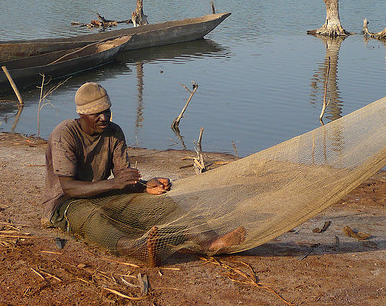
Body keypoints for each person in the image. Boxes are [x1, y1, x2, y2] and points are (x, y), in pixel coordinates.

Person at [43, 82, 245, 265]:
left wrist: (145, 185)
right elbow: (68, 187)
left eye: (106, 111)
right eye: (96, 114)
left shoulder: (113, 132)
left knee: (163, 205)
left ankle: (210, 241)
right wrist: (114, 184)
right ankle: (133, 248)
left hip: (104, 194)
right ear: (82, 115)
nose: (104, 118)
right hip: (66, 203)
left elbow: (124, 178)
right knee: (95, 220)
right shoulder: (65, 134)